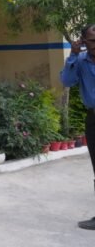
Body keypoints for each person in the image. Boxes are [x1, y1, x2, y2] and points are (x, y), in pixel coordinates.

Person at [60, 23, 95, 231]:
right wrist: (72, 56)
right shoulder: (80, 61)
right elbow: (67, 81)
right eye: (92, 41)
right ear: (83, 42)